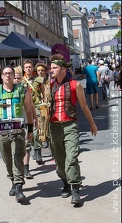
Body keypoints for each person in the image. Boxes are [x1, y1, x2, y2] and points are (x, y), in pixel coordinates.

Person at [49, 54, 98, 205]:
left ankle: (75, 188)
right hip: (54, 126)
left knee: (71, 158)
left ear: (63, 69)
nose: (51, 70)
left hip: (70, 125)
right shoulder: (49, 86)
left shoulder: (75, 85)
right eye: (51, 68)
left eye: (54, 68)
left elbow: (83, 106)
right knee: (60, 159)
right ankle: (65, 184)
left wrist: (92, 123)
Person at [0, 66, 34, 203]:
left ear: (14, 75)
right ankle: (13, 180)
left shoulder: (22, 90)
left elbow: (29, 110)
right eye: (5, 73)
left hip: (18, 130)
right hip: (2, 131)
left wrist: (30, 129)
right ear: (1, 76)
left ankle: (19, 186)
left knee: (18, 156)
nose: (8, 76)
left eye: (10, 73)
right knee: (7, 158)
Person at [14, 65, 38, 179]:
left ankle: (26, 168)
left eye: (18, 78)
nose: (16, 80)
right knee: (16, 148)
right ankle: (17, 170)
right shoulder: (7, 91)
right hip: (13, 124)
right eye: (14, 78)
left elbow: (31, 105)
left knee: (27, 145)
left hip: (25, 121)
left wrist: (35, 119)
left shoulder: (25, 89)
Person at [23, 59, 45, 164]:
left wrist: (45, 105)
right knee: (29, 132)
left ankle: (38, 151)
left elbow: (43, 93)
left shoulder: (39, 79)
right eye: (26, 67)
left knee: (36, 130)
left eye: (30, 67)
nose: (28, 69)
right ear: (24, 68)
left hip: (36, 106)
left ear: (33, 68)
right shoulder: (21, 81)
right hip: (26, 108)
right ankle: (34, 147)